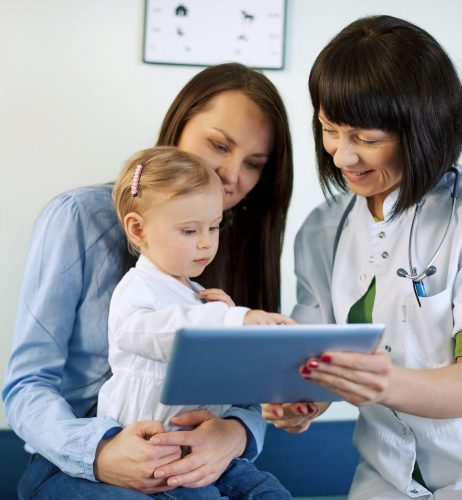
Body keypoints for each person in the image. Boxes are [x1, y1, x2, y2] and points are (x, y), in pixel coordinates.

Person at [2, 63, 293, 498]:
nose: (232, 175)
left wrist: (233, 434)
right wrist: (99, 453)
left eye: (253, 164)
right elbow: (27, 385)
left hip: (192, 457)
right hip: (77, 463)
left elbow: (243, 393)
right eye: (219, 145)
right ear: (178, 125)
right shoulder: (80, 217)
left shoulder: (230, 240)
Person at [263, 15, 462, 499]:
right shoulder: (323, 229)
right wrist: (299, 402)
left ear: (425, 130)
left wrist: (380, 382)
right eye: (330, 129)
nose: (342, 156)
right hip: (382, 479)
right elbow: (313, 364)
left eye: (367, 140)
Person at [96, 145, 293, 499]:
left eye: (214, 227)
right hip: (157, 452)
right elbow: (146, 333)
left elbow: (214, 362)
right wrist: (228, 321)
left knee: (270, 491)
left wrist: (237, 335)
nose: (206, 243)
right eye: (189, 231)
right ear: (138, 230)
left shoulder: (200, 295)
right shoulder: (137, 288)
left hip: (205, 447)